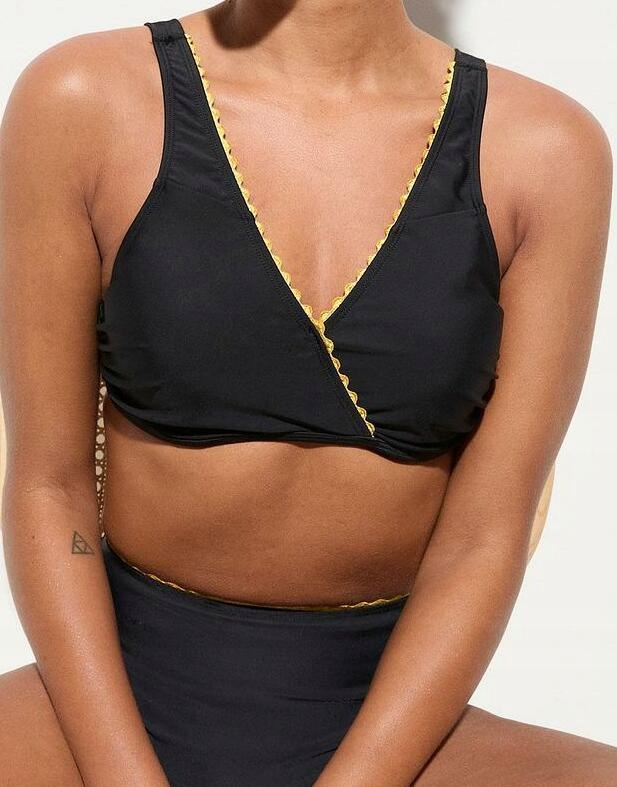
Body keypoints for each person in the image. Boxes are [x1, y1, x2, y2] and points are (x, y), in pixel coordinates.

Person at [0, 2, 614, 785]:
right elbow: (49, 485)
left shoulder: (546, 151)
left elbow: (485, 533)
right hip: (98, 705)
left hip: (393, 725)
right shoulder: (81, 98)